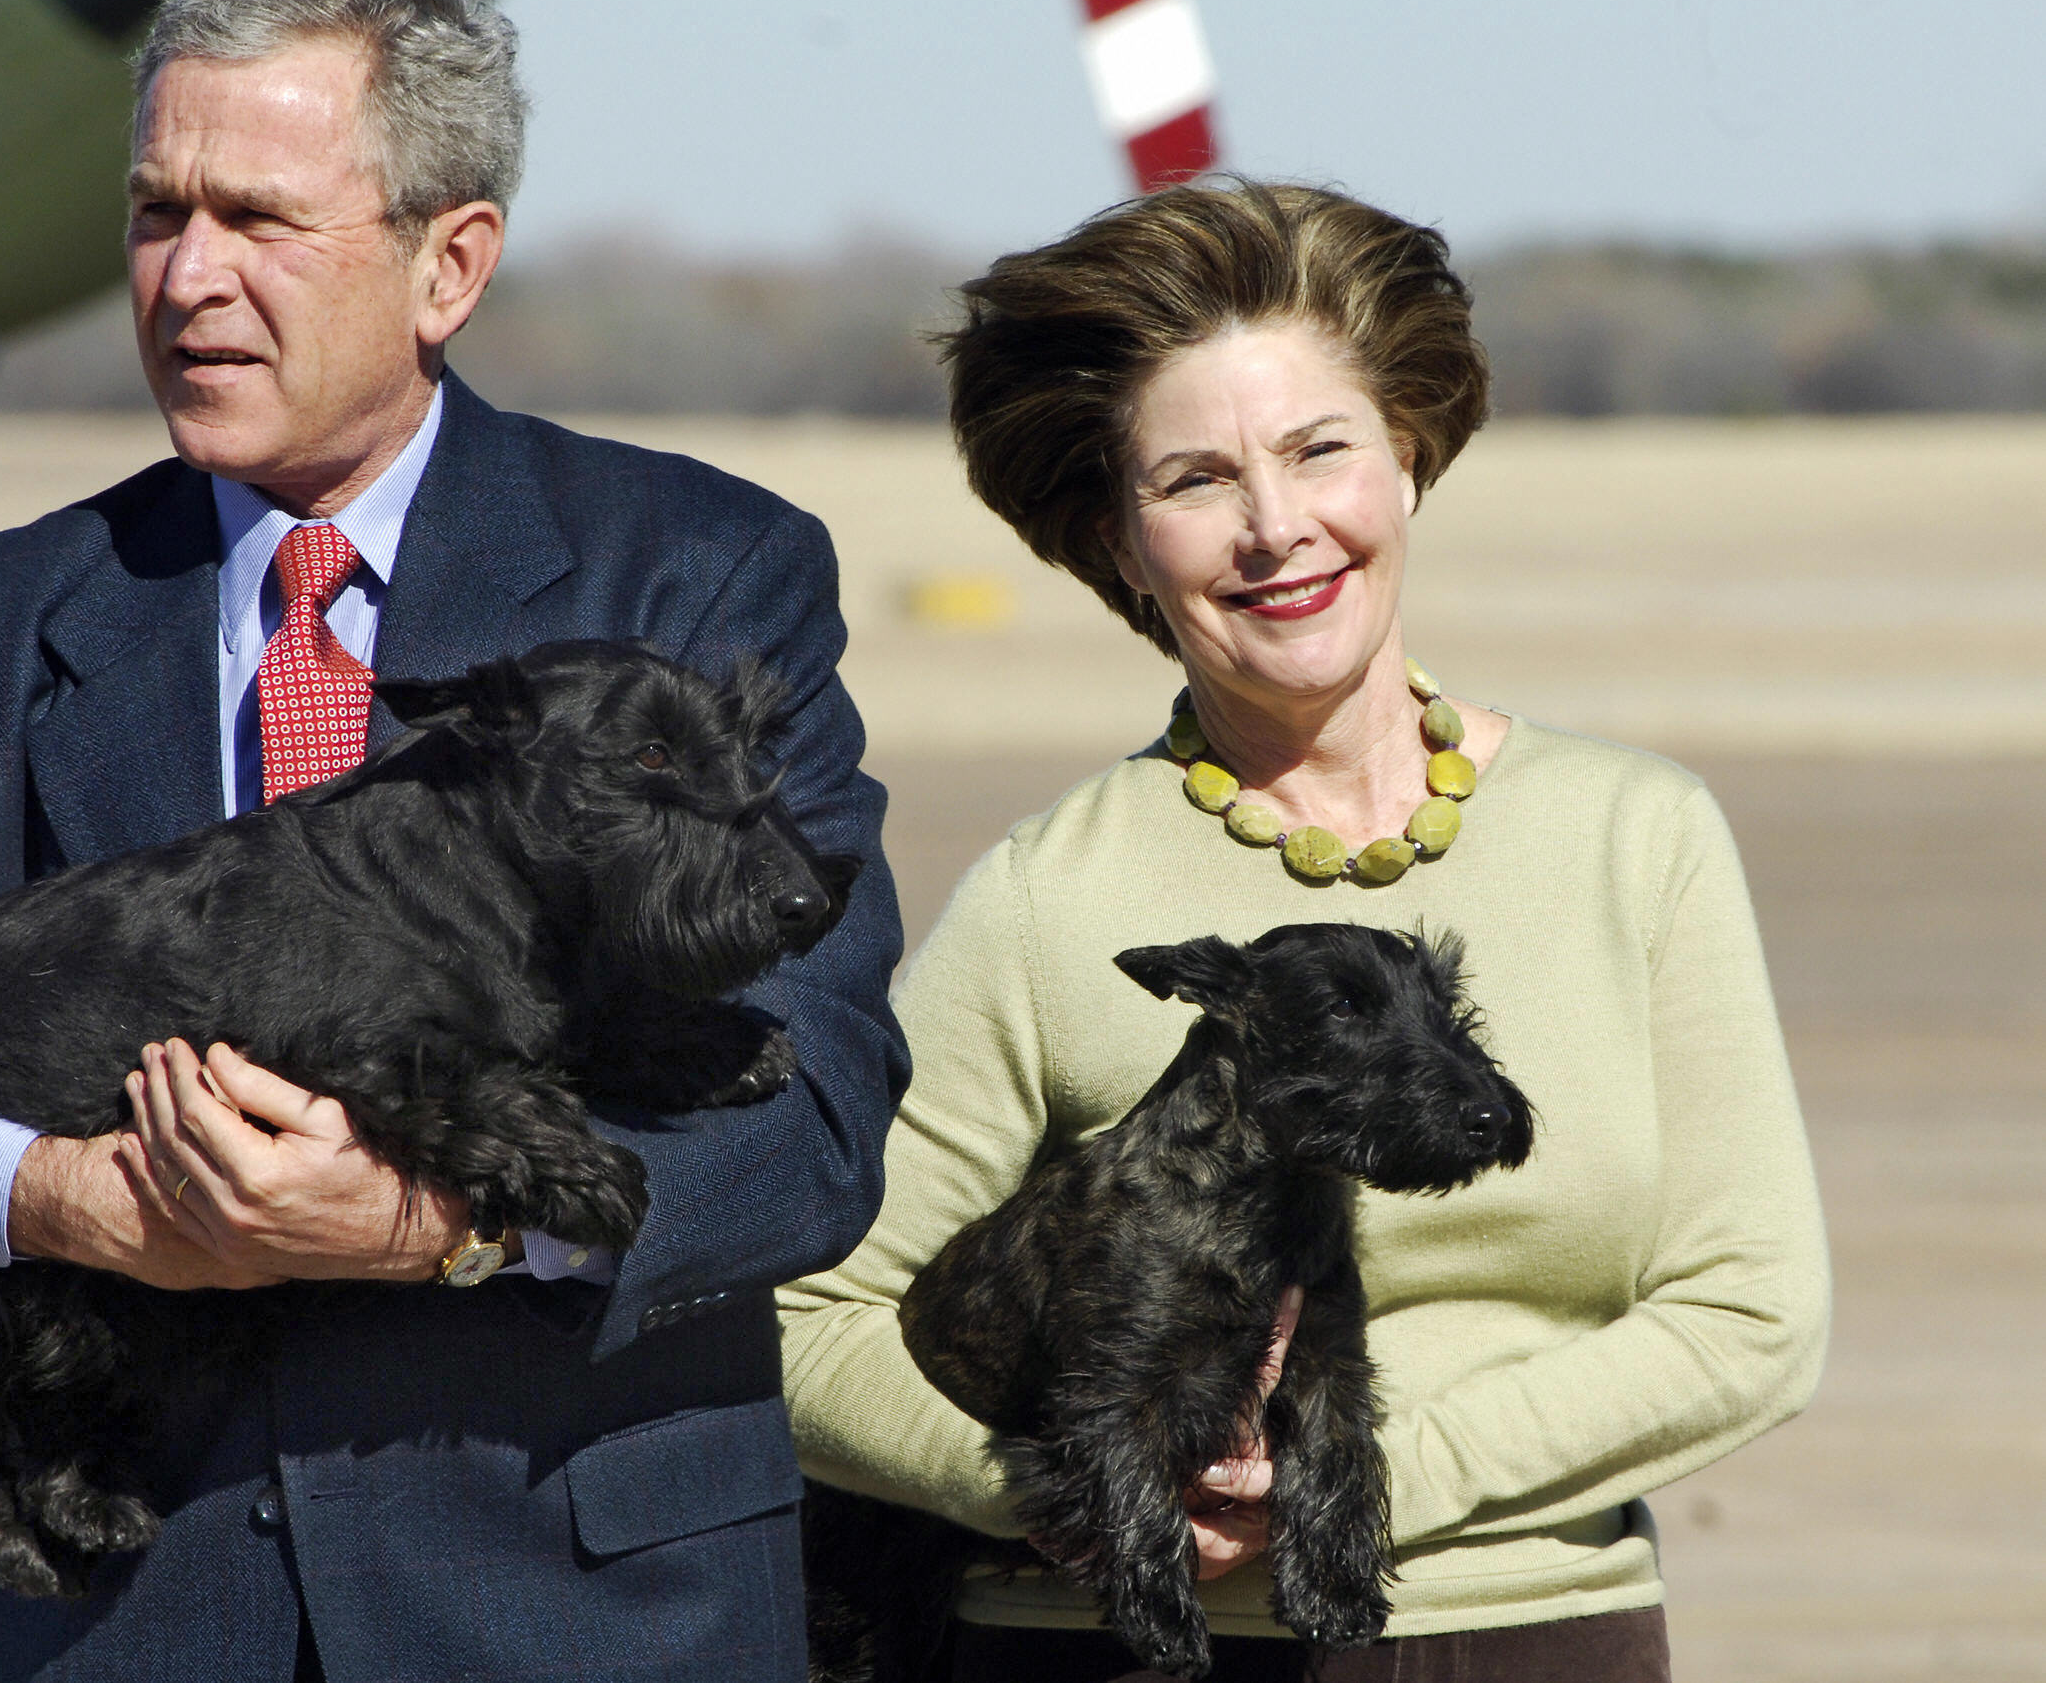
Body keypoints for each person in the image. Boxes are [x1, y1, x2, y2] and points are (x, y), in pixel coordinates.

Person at [0, 0, 905, 1683]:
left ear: (449, 262)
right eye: (157, 213)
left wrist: (434, 1221)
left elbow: (812, 1114)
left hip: (586, 1624)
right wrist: (65, 1197)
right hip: (142, 1618)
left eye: (258, 219)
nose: (188, 278)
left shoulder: (701, 575)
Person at [777, 180, 1829, 1683]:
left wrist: (1361, 1487)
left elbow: (1752, 1313)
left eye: (1319, 449)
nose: (1276, 528)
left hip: (1523, 1634)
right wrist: (1084, 1497)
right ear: (1116, 537)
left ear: (1407, 457)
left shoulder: (1636, 837)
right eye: (1196, 479)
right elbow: (812, 1319)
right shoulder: (1044, 890)